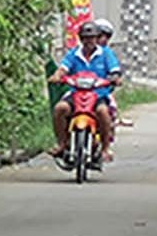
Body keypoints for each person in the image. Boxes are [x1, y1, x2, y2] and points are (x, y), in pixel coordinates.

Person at [51, 20, 122, 163]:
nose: (89, 41)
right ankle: (62, 143)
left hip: (98, 94)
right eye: (85, 38)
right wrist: (57, 76)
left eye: (92, 38)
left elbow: (114, 70)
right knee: (60, 108)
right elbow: (63, 68)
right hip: (75, 93)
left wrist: (115, 78)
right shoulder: (74, 54)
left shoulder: (106, 54)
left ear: (97, 38)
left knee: (103, 112)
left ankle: (105, 149)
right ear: (81, 39)